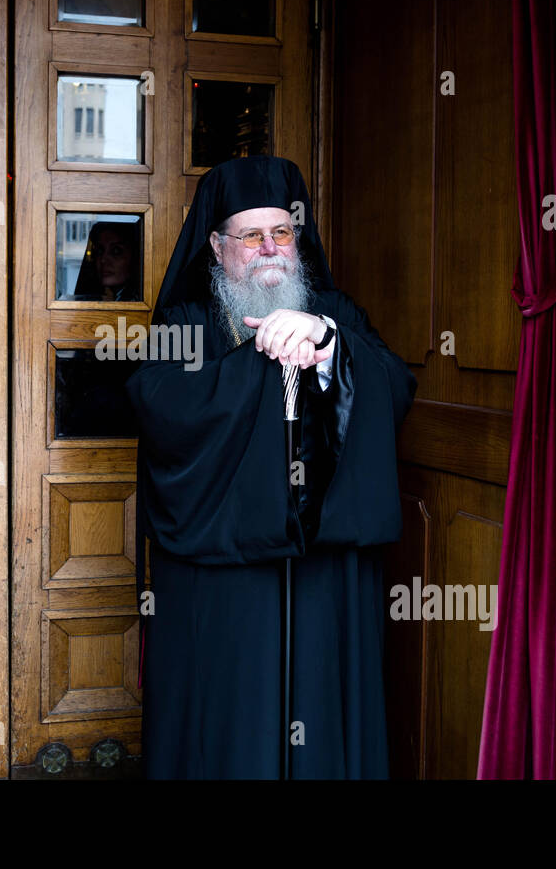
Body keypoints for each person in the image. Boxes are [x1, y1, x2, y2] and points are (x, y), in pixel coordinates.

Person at [125, 154, 416, 779]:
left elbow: (395, 387)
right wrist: (263, 356)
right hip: (226, 583)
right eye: (250, 235)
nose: (268, 249)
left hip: (324, 579)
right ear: (216, 244)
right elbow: (155, 405)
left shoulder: (335, 310)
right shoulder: (186, 321)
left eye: (281, 232)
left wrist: (328, 342)